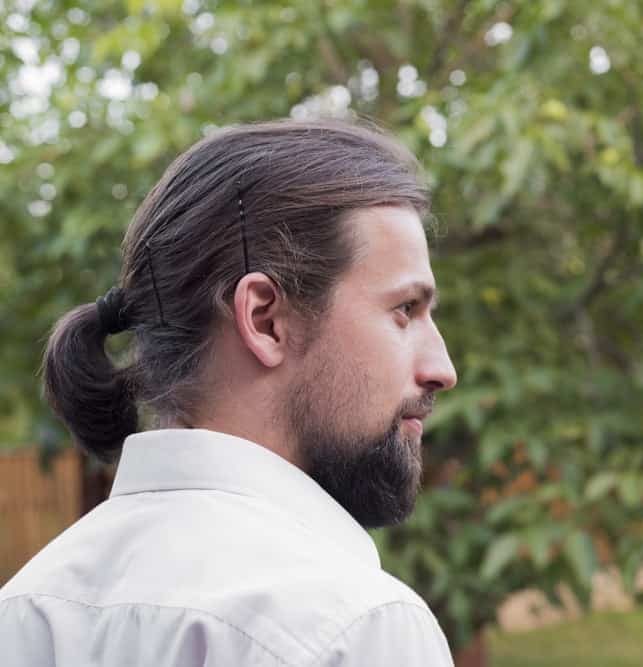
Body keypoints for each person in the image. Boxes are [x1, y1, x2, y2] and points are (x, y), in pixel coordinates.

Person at [0, 119, 459, 666]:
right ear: (265, 320)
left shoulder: (26, 609)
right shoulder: (354, 627)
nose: (442, 369)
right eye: (405, 310)